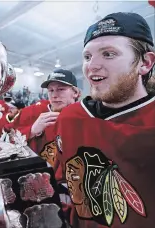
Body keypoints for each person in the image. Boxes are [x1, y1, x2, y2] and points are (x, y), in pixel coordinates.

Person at [54, 12, 155, 227]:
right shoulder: (69, 118)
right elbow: (65, 187)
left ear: (145, 63)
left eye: (108, 54)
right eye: (87, 57)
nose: (92, 66)